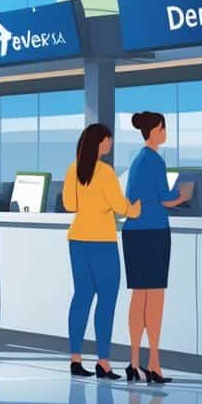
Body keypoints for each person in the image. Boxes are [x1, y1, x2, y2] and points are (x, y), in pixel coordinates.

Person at [64, 123, 141, 379]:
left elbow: (69, 204)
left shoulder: (74, 169)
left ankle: (76, 359)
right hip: (102, 242)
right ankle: (103, 362)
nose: (110, 144)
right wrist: (135, 209)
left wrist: (91, 205)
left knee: (82, 296)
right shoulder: (106, 172)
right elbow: (120, 207)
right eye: (109, 140)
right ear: (100, 142)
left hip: (77, 239)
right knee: (106, 300)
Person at [122, 112, 192, 384]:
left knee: (139, 296)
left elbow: (134, 197)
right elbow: (165, 199)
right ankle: (153, 364)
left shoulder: (138, 161)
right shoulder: (154, 160)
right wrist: (184, 194)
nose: (165, 133)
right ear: (153, 131)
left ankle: (134, 362)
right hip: (153, 232)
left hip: (134, 232)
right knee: (155, 298)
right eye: (163, 129)